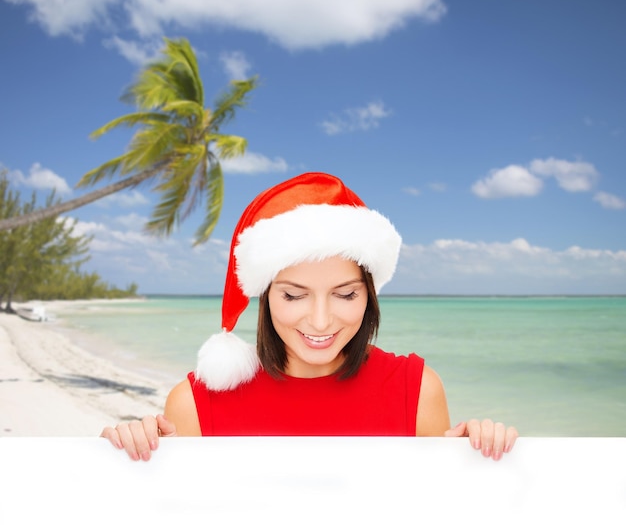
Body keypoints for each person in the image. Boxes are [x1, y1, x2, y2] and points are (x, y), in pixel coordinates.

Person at [101, 172, 518, 461]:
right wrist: (127, 456)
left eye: (345, 294)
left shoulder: (417, 391)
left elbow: (438, 520)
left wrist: (481, 455)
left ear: (369, 295)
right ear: (265, 297)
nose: (320, 321)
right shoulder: (195, 403)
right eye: (294, 295)